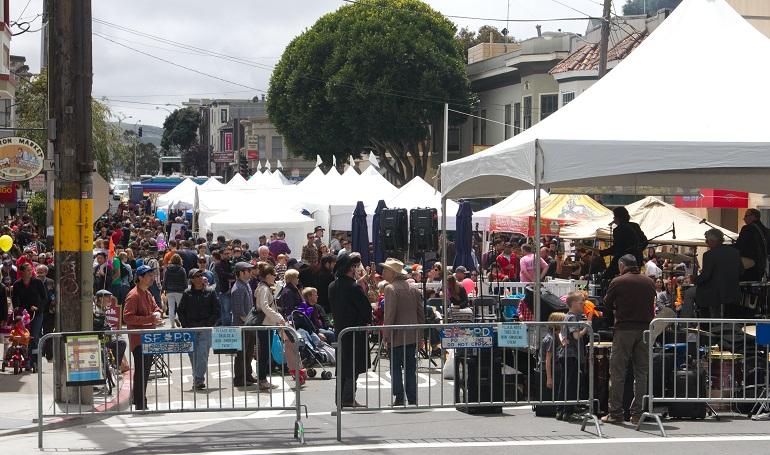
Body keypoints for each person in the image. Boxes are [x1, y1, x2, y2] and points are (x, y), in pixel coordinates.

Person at [601, 254, 656, 424]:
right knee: (641, 373)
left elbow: (607, 304)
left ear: (622, 265)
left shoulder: (618, 281)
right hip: (645, 329)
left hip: (624, 329)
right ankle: (637, 413)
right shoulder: (649, 282)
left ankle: (615, 413)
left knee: (617, 372)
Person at [329, 253, 372, 408]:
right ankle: (348, 399)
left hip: (340, 331)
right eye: (353, 266)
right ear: (349, 268)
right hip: (355, 332)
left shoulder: (333, 286)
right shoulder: (353, 287)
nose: (355, 269)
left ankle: (340, 398)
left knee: (342, 366)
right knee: (352, 367)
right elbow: (366, 311)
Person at [381, 258, 424, 406]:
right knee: (410, 368)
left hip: (396, 335)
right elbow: (421, 314)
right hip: (412, 334)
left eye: (386, 270)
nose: (383, 272)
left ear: (392, 273)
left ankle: (399, 397)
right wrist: (421, 336)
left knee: (396, 368)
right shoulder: (413, 288)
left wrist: (386, 337)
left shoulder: (390, 288)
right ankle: (412, 398)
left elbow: (389, 315)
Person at [123, 265, 164, 410]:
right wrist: (149, 319)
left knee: (145, 371)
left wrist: (158, 313)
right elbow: (127, 317)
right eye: (149, 275)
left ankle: (139, 399)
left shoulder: (147, 293)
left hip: (149, 338)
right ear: (140, 277)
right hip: (139, 340)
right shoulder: (133, 295)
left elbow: (156, 307)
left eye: (153, 275)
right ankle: (140, 402)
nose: (152, 277)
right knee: (141, 371)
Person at [177, 268, 220, 390]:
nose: (199, 278)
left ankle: (198, 379)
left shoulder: (210, 292)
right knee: (193, 355)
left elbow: (217, 310)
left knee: (202, 354)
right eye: (196, 276)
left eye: (201, 275)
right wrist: (185, 325)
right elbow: (180, 311)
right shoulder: (187, 293)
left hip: (205, 328)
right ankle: (198, 378)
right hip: (190, 329)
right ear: (192, 279)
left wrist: (208, 323)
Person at [556, 291, 590, 421]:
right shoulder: (571, 317)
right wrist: (587, 328)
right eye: (581, 302)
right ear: (574, 303)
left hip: (567, 354)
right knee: (570, 383)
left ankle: (561, 410)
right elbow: (576, 336)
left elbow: (562, 334)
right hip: (571, 355)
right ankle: (568, 411)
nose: (583, 304)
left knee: (565, 383)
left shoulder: (569, 317)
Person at [696, 228, 742, 318]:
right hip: (733, 291)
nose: (707, 243)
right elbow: (741, 271)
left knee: (691, 293)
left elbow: (705, 276)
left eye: (707, 240)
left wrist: (694, 279)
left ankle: (703, 324)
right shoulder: (735, 252)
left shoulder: (709, 255)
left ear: (712, 241)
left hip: (715, 292)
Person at [254, 264, 283, 391]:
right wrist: (278, 317)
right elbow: (265, 306)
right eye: (273, 274)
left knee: (265, 352)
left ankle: (263, 379)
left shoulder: (264, 287)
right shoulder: (264, 289)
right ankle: (262, 380)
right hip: (265, 324)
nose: (275, 277)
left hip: (268, 323)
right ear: (267, 275)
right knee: (264, 352)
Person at [11, 263, 47, 365]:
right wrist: (16, 307)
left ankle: (34, 361)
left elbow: (44, 297)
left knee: (34, 336)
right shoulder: (17, 284)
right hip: (23, 314)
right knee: (23, 336)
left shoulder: (37, 282)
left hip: (36, 313)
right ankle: (25, 358)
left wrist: (38, 307)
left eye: (31, 270)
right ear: (22, 272)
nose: (30, 272)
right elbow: (15, 298)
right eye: (28, 270)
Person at [231, 261, 259, 387]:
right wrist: (250, 323)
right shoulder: (237, 288)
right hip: (243, 326)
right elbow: (239, 312)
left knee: (248, 353)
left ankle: (248, 375)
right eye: (248, 270)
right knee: (241, 354)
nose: (250, 272)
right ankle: (239, 378)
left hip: (249, 324)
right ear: (241, 273)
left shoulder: (246, 285)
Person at [600, 207, 647, 280]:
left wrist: (603, 253)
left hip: (623, 260)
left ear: (619, 217)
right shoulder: (635, 226)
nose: (613, 218)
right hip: (637, 259)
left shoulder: (618, 230)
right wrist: (638, 250)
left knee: (606, 277)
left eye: (614, 216)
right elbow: (645, 241)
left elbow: (616, 248)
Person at [735, 208, 770, 281]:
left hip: (749, 265)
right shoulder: (767, 231)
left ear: (753, 216)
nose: (744, 218)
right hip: (761, 266)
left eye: (746, 216)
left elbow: (739, 246)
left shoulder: (748, 228)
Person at [162, 254, 187, 327]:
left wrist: (164, 289)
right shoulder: (182, 269)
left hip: (169, 291)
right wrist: (186, 289)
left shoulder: (168, 269)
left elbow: (165, 280)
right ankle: (178, 318)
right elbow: (184, 281)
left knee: (171, 307)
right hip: (180, 291)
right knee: (180, 307)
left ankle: (172, 325)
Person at [213, 249, 234, 326]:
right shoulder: (218, 265)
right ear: (221, 255)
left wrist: (232, 276)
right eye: (225, 254)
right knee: (226, 310)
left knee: (232, 311)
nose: (228, 255)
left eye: (228, 253)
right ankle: (226, 328)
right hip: (224, 291)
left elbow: (235, 274)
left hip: (233, 290)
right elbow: (222, 275)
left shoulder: (231, 263)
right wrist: (230, 276)